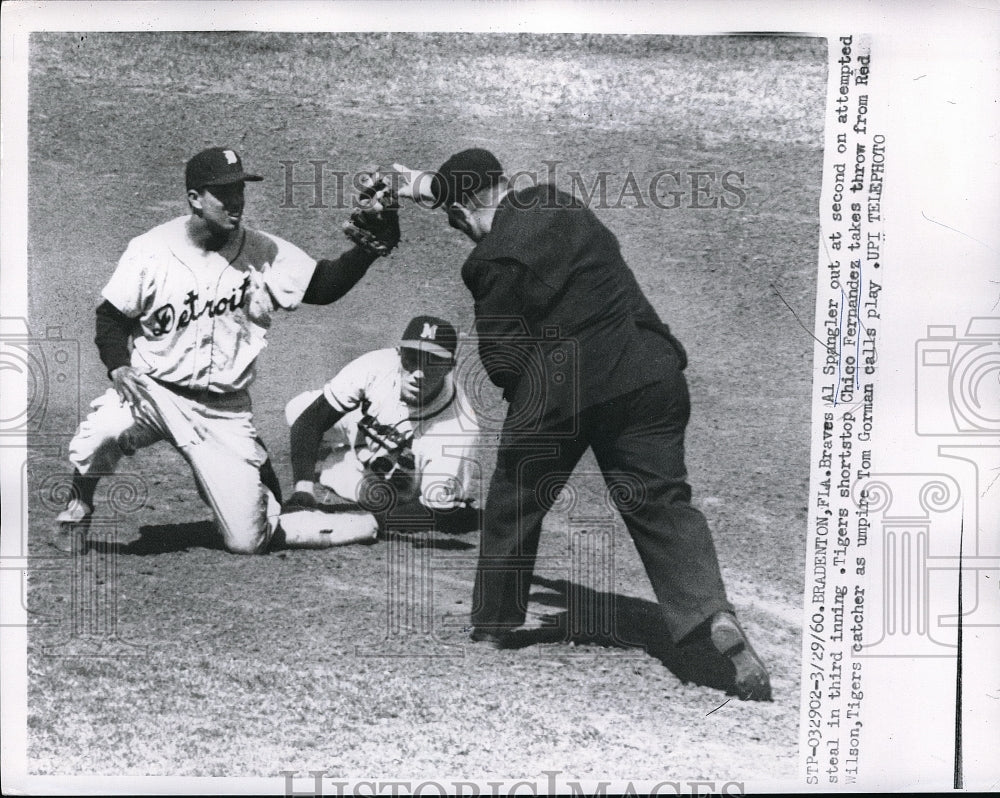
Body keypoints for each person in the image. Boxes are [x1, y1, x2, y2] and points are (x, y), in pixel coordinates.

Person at [393, 149, 771, 700]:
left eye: (459, 221)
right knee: (660, 500)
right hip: (648, 373)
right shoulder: (557, 201)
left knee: (516, 495)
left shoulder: (489, 261)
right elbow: (476, 195)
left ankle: (495, 623)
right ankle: (709, 613)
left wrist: (531, 412)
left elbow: (502, 362)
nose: (464, 233)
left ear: (466, 209)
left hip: (560, 391)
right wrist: (425, 188)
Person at [54, 146, 399, 555]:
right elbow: (111, 318)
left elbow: (322, 286)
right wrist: (118, 366)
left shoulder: (260, 250)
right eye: (223, 193)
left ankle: (358, 523)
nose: (235, 202)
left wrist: (366, 253)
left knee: (248, 540)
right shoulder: (151, 249)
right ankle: (78, 506)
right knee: (102, 432)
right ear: (195, 199)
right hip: (153, 392)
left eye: (239, 191)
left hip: (222, 409)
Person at [278, 315, 480, 547]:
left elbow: (436, 510)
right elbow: (310, 420)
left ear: (449, 368)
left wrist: (365, 524)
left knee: (382, 497)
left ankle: (347, 461)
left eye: (432, 364)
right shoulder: (377, 366)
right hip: (365, 426)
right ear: (399, 353)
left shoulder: (457, 429)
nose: (419, 374)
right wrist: (303, 491)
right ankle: (351, 457)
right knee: (297, 410)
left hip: (405, 475)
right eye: (412, 359)